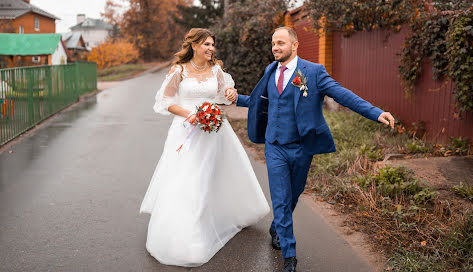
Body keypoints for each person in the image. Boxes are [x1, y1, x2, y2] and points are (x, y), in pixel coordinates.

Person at [230, 26, 395, 272]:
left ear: (295, 45)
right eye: (273, 43)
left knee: (293, 195)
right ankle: (290, 257)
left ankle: (277, 227)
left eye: (281, 43)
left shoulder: (314, 72)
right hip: (274, 146)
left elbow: (343, 95)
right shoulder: (270, 70)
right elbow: (261, 101)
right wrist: (235, 98)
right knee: (281, 199)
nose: (275, 47)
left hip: (301, 148)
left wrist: (375, 112)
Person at [139, 28, 270, 267]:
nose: (211, 49)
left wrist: (231, 92)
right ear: (194, 45)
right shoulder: (178, 71)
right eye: (207, 44)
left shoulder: (217, 70)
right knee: (190, 178)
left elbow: (224, 95)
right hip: (186, 130)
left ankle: (220, 214)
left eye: (212, 45)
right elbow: (166, 102)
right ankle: (190, 233)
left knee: (215, 175)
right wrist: (193, 115)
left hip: (215, 130)